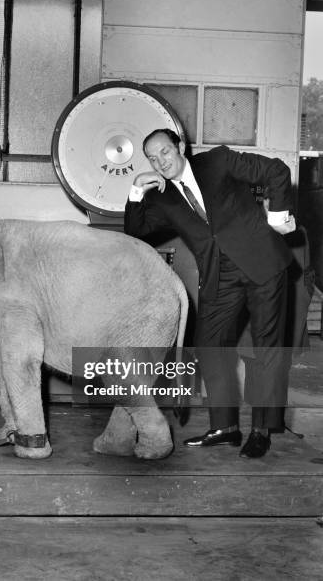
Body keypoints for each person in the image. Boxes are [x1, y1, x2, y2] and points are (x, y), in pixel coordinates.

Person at [124, 129, 295, 458]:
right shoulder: (161, 197)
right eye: (152, 158)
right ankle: (226, 427)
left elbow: (277, 169)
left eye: (165, 152)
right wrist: (135, 192)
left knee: (266, 348)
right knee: (209, 345)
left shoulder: (217, 162)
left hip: (263, 263)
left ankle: (261, 430)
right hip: (221, 276)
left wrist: (278, 216)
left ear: (181, 147)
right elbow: (137, 233)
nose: (161, 162)